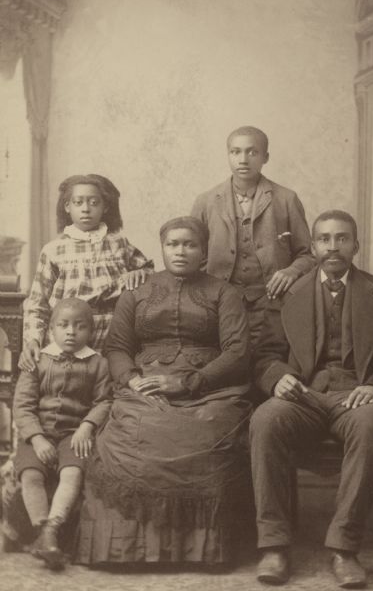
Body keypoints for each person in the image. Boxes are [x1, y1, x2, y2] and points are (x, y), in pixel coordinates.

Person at [250, 210, 373, 588]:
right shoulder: (287, 294)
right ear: (313, 247)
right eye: (324, 239)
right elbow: (265, 354)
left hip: (357, 396)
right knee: (265, 419)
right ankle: (274, 545)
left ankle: (344, 548)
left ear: (355, 246)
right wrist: (278, 379)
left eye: (341, 238)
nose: (333, 246)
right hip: (304, 395)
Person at [74, 216, 252, 566]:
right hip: (145, 384)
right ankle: (127, 551)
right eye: (173, 244)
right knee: (130, 431)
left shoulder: (224, 293)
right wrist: (130, 378)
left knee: (208, 432)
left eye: (190, 244)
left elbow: (238, 352)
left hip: (209, 388)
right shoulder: (137, 291)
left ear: (203, 251)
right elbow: (117, 347)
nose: (181, 251)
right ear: (163, 248)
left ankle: (203, 553)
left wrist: (189, 382)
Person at [13, 298, 113, 570]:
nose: (71, 332)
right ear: (51, 330)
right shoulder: (37, 361)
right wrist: (36, 437)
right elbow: (22, 406)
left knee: (72, 473)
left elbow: (104, 400)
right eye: (63, 325)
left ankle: (52, 530)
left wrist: (87, 426)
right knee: (31, 475)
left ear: (90, 332)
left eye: (80, 327)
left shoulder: (97, 363)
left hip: (73, 434)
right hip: (38, 433)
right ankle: (41, 529)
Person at [191, 126, 314, 347]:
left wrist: (291, 270)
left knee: (266, 359)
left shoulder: (286, 199)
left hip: (271, 302)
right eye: (235, 152)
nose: (243, 159)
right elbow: (192, 256)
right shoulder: (206, 201)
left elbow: (307, 255)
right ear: (227, 155)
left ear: (265, 157)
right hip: (218, 303)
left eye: (252, 152)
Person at [19, 173, 154, 371]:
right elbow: (37, 304)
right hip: (70, 336)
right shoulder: (53, 250)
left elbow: (149, 272)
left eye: (93, 202)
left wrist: (139, 273)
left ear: (105, 207)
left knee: (111, 389)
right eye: (78, 202)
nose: (85, 208)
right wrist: (32, 340)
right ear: (67, 207)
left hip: (114, 336)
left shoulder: (119, 244)